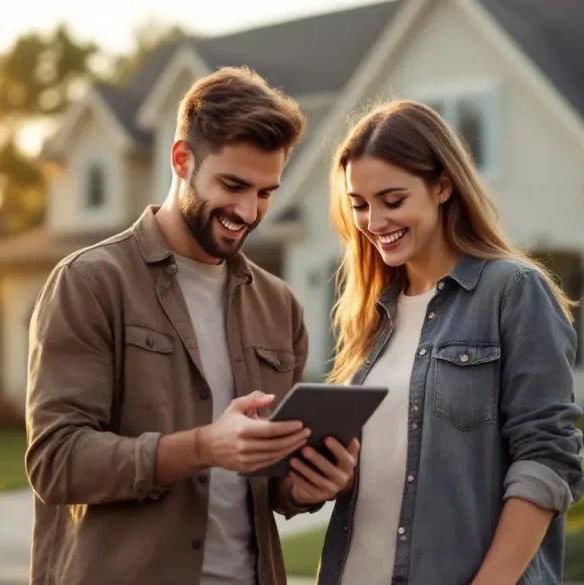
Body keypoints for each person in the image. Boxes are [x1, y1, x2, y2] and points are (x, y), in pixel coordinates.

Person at [24, 66, 359, 585]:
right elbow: (56, 461)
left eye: (266, 192)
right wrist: (202, 447)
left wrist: (308, 486)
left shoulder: (281, 307)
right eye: (233, 185)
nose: (248, 211)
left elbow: (269, 483)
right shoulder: (90, 283)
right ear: (182, 159)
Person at [313, 100, 584, 585]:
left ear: (442, 186)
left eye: (392, 200)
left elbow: (547, 462)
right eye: (359, 205)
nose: (374, 222)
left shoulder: (513, 292)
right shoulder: (371, 315)